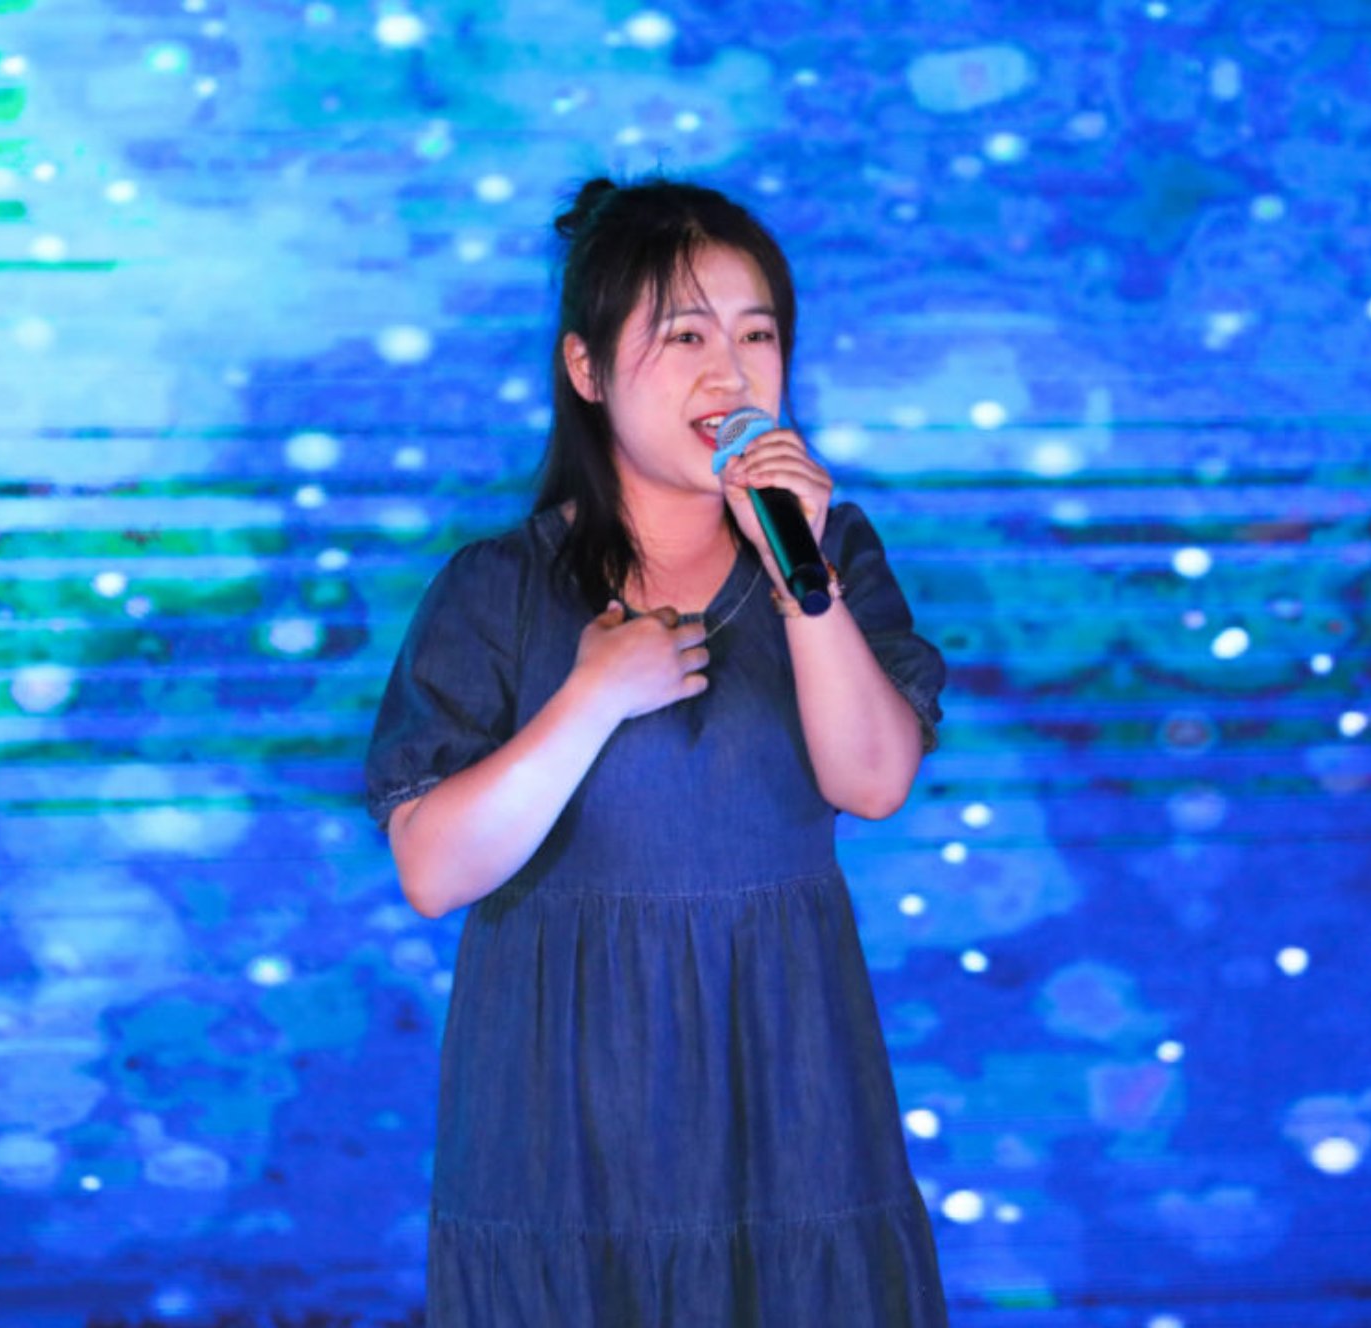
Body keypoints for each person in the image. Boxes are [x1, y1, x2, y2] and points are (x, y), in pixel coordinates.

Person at [364, 175, 949, 1326]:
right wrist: (590, 697)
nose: (729, 372)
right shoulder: (497, 588)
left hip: (789, 1080)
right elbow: (432, 868)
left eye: (757, 334)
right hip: (566, 1109)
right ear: (586, 369)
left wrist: (803, 581)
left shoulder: (831, 552)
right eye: (684, 335)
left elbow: (874, 780)